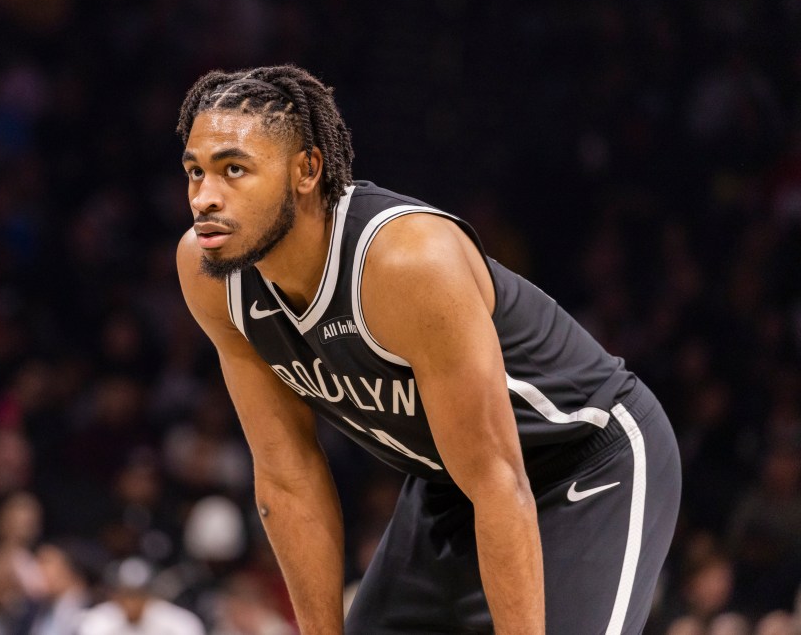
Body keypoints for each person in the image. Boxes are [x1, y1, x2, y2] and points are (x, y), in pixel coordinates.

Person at [174, 65, 682, 634]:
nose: (204, 198)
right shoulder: (210, 273)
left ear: (306, 170)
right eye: (195, 172)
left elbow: (499, 481)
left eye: (234, 170)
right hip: (453, 480)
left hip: (585, 457)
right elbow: (288, 476)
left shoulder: (408, 263)